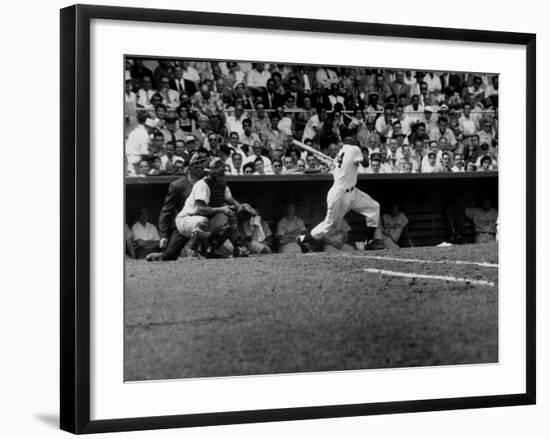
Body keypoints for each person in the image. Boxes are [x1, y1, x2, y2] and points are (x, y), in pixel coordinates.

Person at [297, 138, 381, 250]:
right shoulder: (353, 149)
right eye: (357, 143)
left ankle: (369, 242)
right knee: (330, 225)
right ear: (352, 144)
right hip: (339, 194)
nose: (358, 145)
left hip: (352, 192)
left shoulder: (339, 154)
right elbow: (365, 164)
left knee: (373, 207)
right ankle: (303, 239)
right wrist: (366, 156)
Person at [175, 158, 255, 257]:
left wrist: (243, 207)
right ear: (209, 172)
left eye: (221, 172)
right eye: (217, 173)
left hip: (204, 220)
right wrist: (222, 209)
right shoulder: (202, 185)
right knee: (204, 221)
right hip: (187, 219)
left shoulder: (222, 186)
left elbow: (233, 202)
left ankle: (219, 249)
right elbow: (201, 209)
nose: (219, 175)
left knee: (231, 215)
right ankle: (193, 251)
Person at [146, 155, 207, 261]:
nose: (199, 167)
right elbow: (166, 211)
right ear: (187, 169)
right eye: (195, 165)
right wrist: (164, 235)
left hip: (206, 223)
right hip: (184, 224)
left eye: (200, 164)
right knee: (169, 256)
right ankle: (162, 255)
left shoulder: (207, 182)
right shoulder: (177, 186)